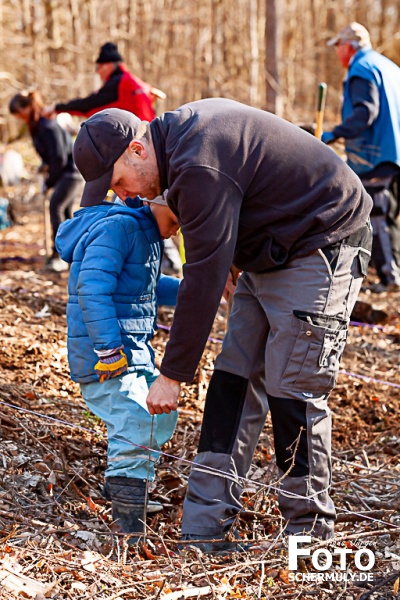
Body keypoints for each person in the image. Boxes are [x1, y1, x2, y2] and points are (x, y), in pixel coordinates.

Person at [71, 101, 372, 548]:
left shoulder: (197, 162)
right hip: (268, 250)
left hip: (322, 237)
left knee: (294, 388)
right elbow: (216, 241)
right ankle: (203, 529)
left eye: (119, 182)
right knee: (232, 380)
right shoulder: (172, 155)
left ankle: (309, 540)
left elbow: (202, 275)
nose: (124, 196)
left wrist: (172, 375)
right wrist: (233, 257)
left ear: (136, 150)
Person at [55, 193, 180, 540]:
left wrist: (197, 292)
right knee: (135, 419)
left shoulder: (147, 236)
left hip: (135, 353)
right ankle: (128, 516)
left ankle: (127, 486)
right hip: (107, 358)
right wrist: (108, 349)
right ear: (158, 199)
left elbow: (150, 287)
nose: (179, 227)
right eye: (178, 215)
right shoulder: (119, 228)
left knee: (161, 412)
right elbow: (92, 289)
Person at [322, 22, 400, 292]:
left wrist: (333, 134)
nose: (337, 54)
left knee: (377, 216)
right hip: (395, 152)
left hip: (376, 155)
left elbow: (366, 112)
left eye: (338, 47)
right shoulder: (388, 66)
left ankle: (391, 279)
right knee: (389, 216)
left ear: (348, 46)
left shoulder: (360, 69)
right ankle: (392, 274)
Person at [9, 90, 82, 272]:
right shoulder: (37, 126)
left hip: (72, 172)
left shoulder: (46, 126)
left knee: (56, 207)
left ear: (27, 108)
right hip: (65, 171)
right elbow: (51, 157)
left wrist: (49, 182)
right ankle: (73, 254)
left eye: (19, 112)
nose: (18, 117)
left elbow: (59, 158)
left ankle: (60, 255)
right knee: (64, 211)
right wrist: (44, 166)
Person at [44, 42, 159, 122]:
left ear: (108, 66)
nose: (98, 72)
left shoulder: (118, 83)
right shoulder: (133, 80)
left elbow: (87, 105)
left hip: (138, 140)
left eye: (99, 68)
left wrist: (56, 108)